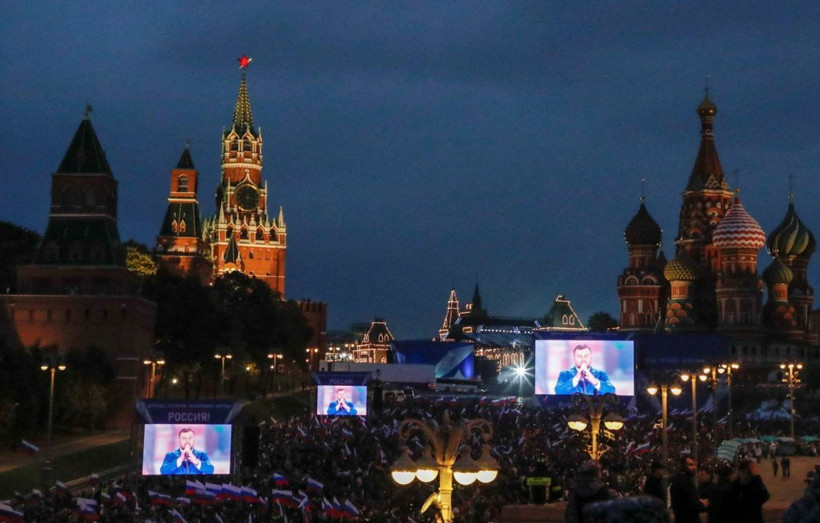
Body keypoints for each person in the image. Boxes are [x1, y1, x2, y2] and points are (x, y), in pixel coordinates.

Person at [670, 455, 708, 523]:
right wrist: (702, 504)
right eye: (690, 465)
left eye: (695, 465)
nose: (694, 467)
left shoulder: (679, 479)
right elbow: (692, 505)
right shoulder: (685, 481)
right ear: (683, 466)